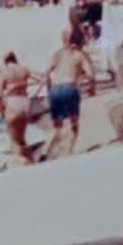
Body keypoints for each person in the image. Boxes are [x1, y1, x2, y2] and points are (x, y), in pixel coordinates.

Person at [43, 28, 95, 157]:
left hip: (55, 89)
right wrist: (89, 87)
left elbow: (46, 74)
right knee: (74, 124)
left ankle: (45, 151)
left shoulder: (58, 54)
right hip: (69, 88)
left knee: (56, 127)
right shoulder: (79, 55)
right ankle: (68, 153)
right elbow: (91, 75)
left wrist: (49, 91)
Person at [0, 50, 35, 163]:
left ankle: (20, 165)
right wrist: (23, 84)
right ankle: (31, 162)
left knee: (13, 139)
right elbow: (41, 78)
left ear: (5, 61)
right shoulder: (24, 69)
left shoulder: (3, 72)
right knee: (22, 138)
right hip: (25, 102)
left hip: (13, 101)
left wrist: (2, 109)